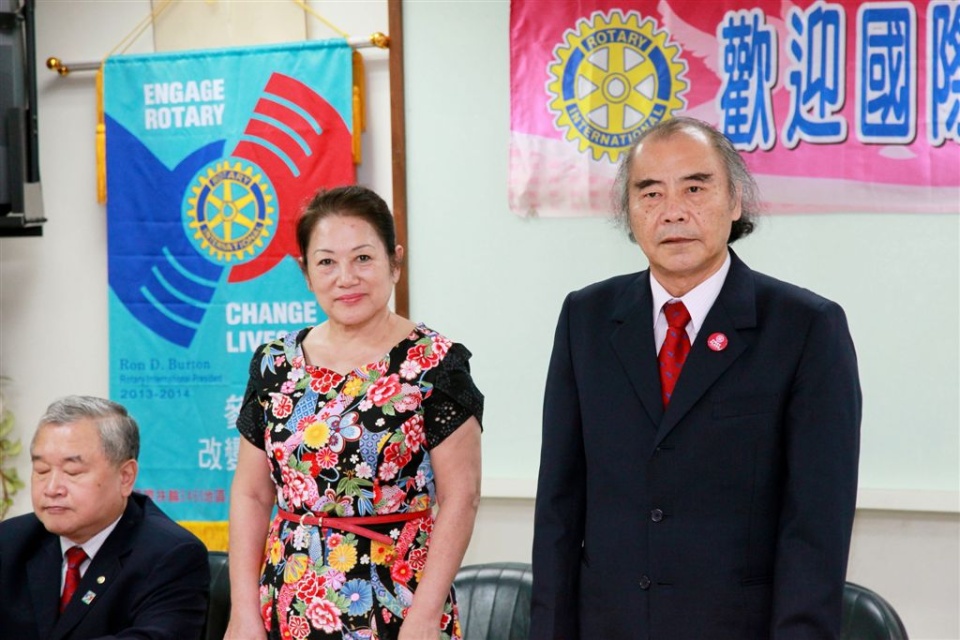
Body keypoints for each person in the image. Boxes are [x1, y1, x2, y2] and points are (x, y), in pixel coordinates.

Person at [531, 117, 861, 639]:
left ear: (735, 202)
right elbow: (559, 506)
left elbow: (816, 525)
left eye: (695, 188)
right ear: (629, 212)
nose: (673, 211)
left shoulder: (805, 328)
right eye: (651, 193)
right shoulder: (586, 318)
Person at [226, 185, 483, 640]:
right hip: (288, 600)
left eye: (363, 258)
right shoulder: (274, 364)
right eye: (326, 262)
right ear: (306, 273)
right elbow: (251, 495)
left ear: (394, 262)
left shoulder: (434, 363)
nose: (346, 278)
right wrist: (243, 613)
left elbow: (461, 497)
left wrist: (425, 617)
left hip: (397, 599)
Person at [0, 395, 210, 640]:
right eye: (42, 470)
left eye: (72, 471)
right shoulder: (10, 541)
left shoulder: (171, 555)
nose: (52, 488)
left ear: (125, 477)